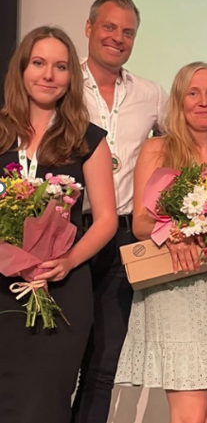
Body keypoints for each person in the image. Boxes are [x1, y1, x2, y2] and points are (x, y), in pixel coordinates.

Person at [115, 62, 207, 423]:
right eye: (193, 93)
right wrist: (174, 233)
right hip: (176, 286)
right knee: (190, 414)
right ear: (179, 100)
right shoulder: (158, 149)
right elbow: (141, 223)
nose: (203, 101)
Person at [0, 26, 117, 423]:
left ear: (71, 77)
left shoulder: (87, 140)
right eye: (39, 63)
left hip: (61, 291)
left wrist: (67, 261)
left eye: (60, 66)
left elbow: (105, 220)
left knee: (43, 406)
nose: (48, 75)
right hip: (2, 289)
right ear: (21, 69)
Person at [71, 0, 168, 423]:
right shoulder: (64, 85)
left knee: (103, 362)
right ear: (89, 28)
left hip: (124, 239)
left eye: (128, 32)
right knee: (60, 355)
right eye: (109, 27)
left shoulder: (151, 94)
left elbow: (183, 143)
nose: (118, 38)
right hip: (67, 233)